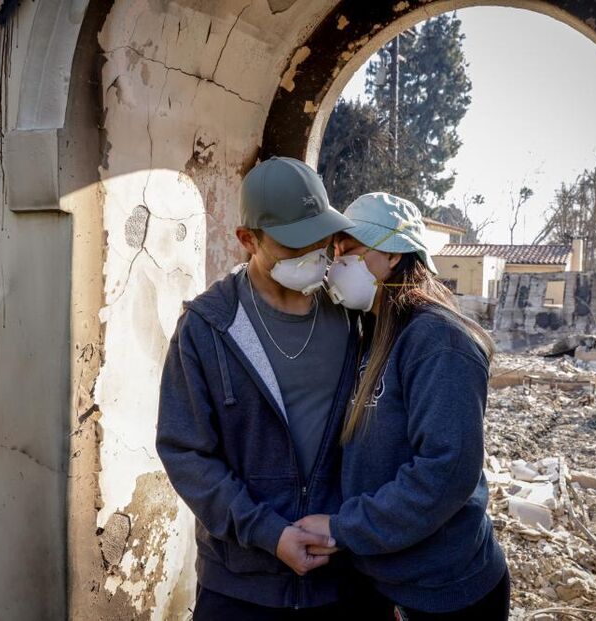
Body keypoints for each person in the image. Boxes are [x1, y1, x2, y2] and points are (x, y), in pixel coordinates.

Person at [156, 157, 363, 619]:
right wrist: (269, 533)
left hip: (343, 584)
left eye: (321, 238)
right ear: (248, 240)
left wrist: (352, 528)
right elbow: (185, 452)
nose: (315, 254)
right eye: (295, 245)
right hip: (240, 588)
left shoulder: (353, 318)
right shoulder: (207, 327)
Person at [296, 192, 511, 620]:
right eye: (334, 251)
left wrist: (344, 527)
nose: (337, 263)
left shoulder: (438, 341)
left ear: (394, 255)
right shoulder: (372, 332)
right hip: (384, 576)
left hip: (442, 590)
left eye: (350, 249)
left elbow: (446, 472)